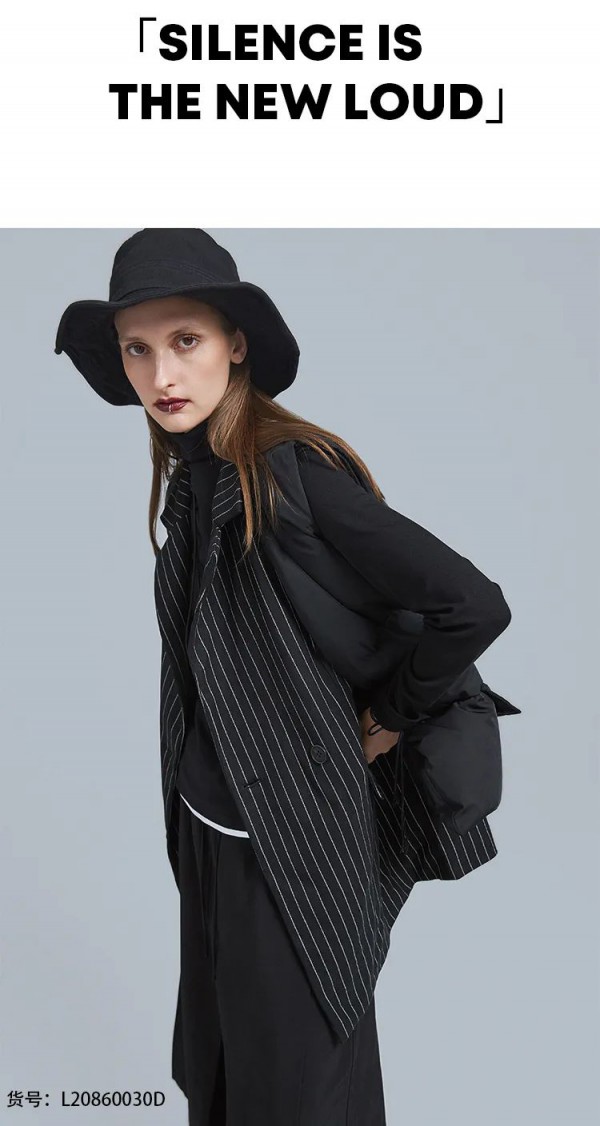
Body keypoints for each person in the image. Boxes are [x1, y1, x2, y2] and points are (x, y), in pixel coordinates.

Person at [54, 228, 519, 1126]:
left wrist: (389, 714)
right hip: (211, 836)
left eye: (185, 340)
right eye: (137, 350)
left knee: (300, 1096)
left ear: (236, 344)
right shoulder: (193, 479)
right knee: (225, 1082)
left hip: (293, 846)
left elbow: (473, 604)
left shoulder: (290, 472)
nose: (162, 374)